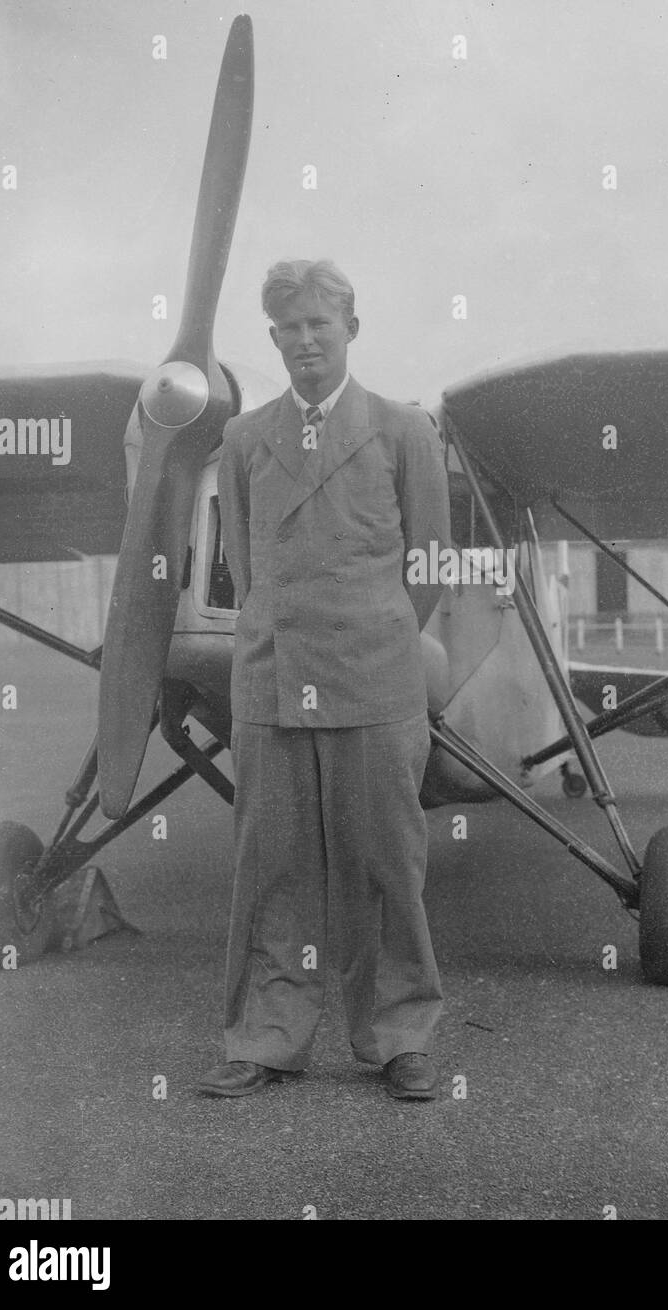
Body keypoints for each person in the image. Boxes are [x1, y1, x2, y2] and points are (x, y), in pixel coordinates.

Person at [197, 259, 450, 1100]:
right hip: (272, 680)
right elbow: (242, 559)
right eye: (289, 328)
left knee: (386, 863)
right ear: (273, 339)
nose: (306, 341)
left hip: (375, 679)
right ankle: (266, 1038)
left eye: (320, 325)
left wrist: (375, 639)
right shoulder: (242, 439)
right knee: (273, 866)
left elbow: (431, 565)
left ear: (351, 330)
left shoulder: (404, 429)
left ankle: (400, 1035)